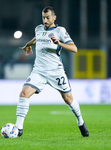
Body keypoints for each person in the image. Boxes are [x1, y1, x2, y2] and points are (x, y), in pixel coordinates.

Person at [12, 6, 89, 137]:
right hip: (39, 71)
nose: (45, 20)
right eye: (43, 17)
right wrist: (28, 44)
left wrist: (59, 42)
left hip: (56, 71)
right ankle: (18, 128)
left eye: (48, 18)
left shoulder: (60, 31)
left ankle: (80, 121)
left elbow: (74, 48)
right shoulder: (39, 28)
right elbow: (38, 37)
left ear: (54, 17)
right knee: (24, 93)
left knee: (68, 99)